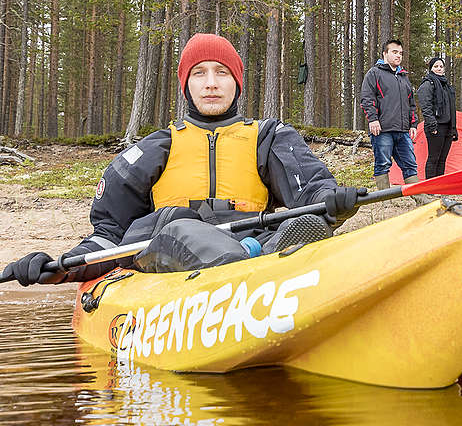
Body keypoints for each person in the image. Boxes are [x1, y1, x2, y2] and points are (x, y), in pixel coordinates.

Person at [1, 33, 361, 286]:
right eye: (199, 73)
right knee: (179, 225)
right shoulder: (154, 148)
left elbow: (311, 190)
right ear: (186, 84)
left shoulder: (268, 137)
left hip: (246, 239)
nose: (211, 83)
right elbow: (110, 235)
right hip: (168, 252)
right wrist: (60, 267)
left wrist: (332, 202)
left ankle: (257, 256)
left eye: (222, 73)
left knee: (295, 227)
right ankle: (252, 266)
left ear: (236, 83)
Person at [360, 39, 419, 191]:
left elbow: (411, 103)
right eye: (394, 52)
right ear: (385, 54)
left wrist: (413, 124)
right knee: (383, 163)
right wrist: (373, 119)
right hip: (382, 130)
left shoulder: (403, 77)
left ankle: (420, 197)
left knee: (410, 164)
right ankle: (384, 199)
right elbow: (367, 98)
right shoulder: (374, 73)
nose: (398, 56)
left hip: (403, 131)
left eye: (400, 53)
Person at [417, 57, 458, 179]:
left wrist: (453, 127)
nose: (439, 68)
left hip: (448, 126)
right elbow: (426, 106)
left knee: (442, 159)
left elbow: (451, 107)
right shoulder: (428, 83)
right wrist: (431, 124)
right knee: (434, 157)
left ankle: (440, 185)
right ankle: (430, 187)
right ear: (431, 69)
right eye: (436, 66)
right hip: (435, 125)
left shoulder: (446, 85)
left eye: (441, 66)